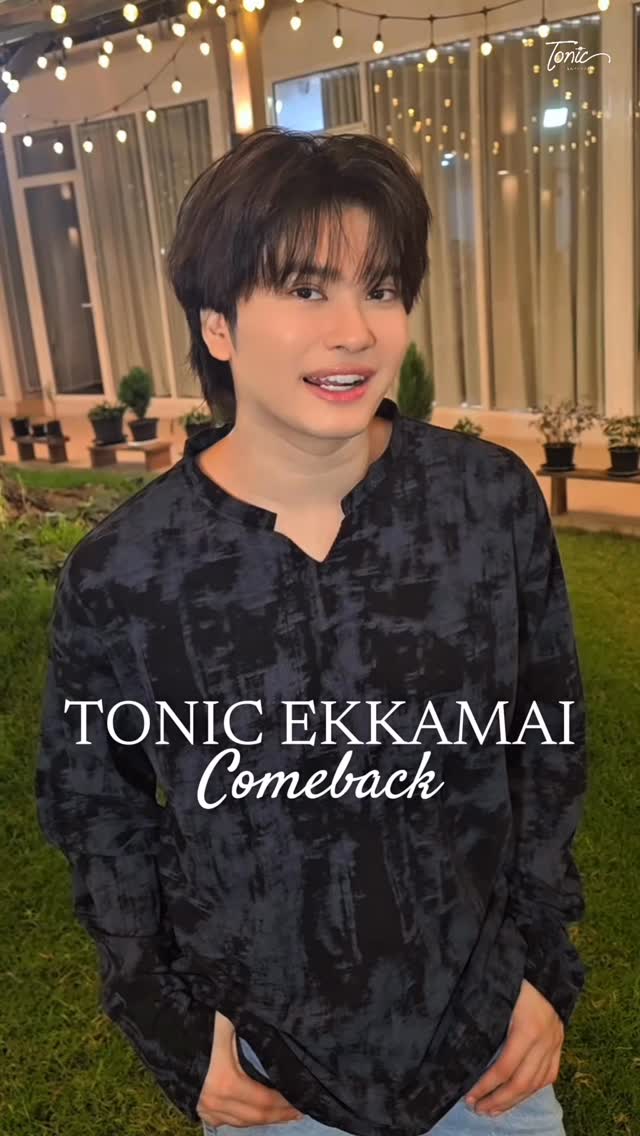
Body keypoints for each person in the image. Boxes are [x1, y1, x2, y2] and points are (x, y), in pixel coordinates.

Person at [35, 126, 588, 1136]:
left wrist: (543, 965)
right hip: (267, 1075)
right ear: (216, 324)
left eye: (381, 288)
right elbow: (96, 812)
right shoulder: (126, 573)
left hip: (484, 1055)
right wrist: (168, 1020)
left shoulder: (486, 506)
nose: (355, 330)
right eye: (304, 288)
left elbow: (545, 746)